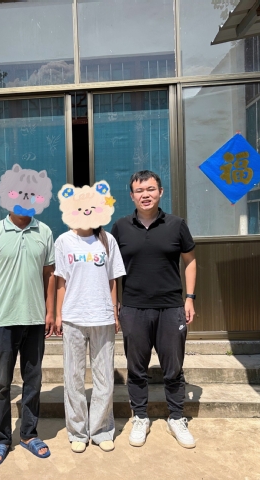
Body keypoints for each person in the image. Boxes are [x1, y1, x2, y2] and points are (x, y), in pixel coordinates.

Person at [111, 170, 197, 449]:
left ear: (160, 192)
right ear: (131, 195)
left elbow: (190, 261)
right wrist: (114, 305)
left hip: (171, 307)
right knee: (136, 369)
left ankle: (176, 417)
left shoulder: (176, 224)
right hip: (134, 308)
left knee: (173, 368)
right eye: (139, 190)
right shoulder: (120, 227)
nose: (145, 195)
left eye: (150, 189)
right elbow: (111, 270)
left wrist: (190, 298)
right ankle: (140, 416)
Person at [0, 210, 56, 466]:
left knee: (33, 381)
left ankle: (28, 434)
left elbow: (49, 274)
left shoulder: (44, 231)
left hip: (35, 319)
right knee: (2, 383)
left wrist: (50, 311)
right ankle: (2, 438)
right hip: (3, 321)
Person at [54, 181, 126, 454]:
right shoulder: (63, 241)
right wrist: (59, 315)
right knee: (73, 377)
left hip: (102, 316)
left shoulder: (107, 240)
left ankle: (101, 429)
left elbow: (112, 280)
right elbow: (61, 281)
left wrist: (114, 311)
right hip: (73, 316)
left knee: (104, 376)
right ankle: (77, 431)